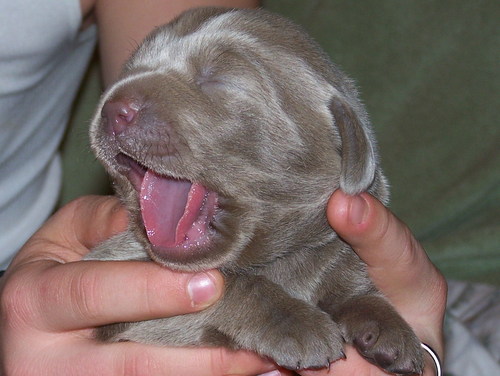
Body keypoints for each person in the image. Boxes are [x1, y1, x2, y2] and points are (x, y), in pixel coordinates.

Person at [0, 0, 446, 375]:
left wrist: (404, 343)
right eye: (133, 71)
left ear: (345, 137)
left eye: (216, 79)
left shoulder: (342, 259)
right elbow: (114, 319)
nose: (121, 103)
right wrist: (251, 307)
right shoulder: (133, 241)